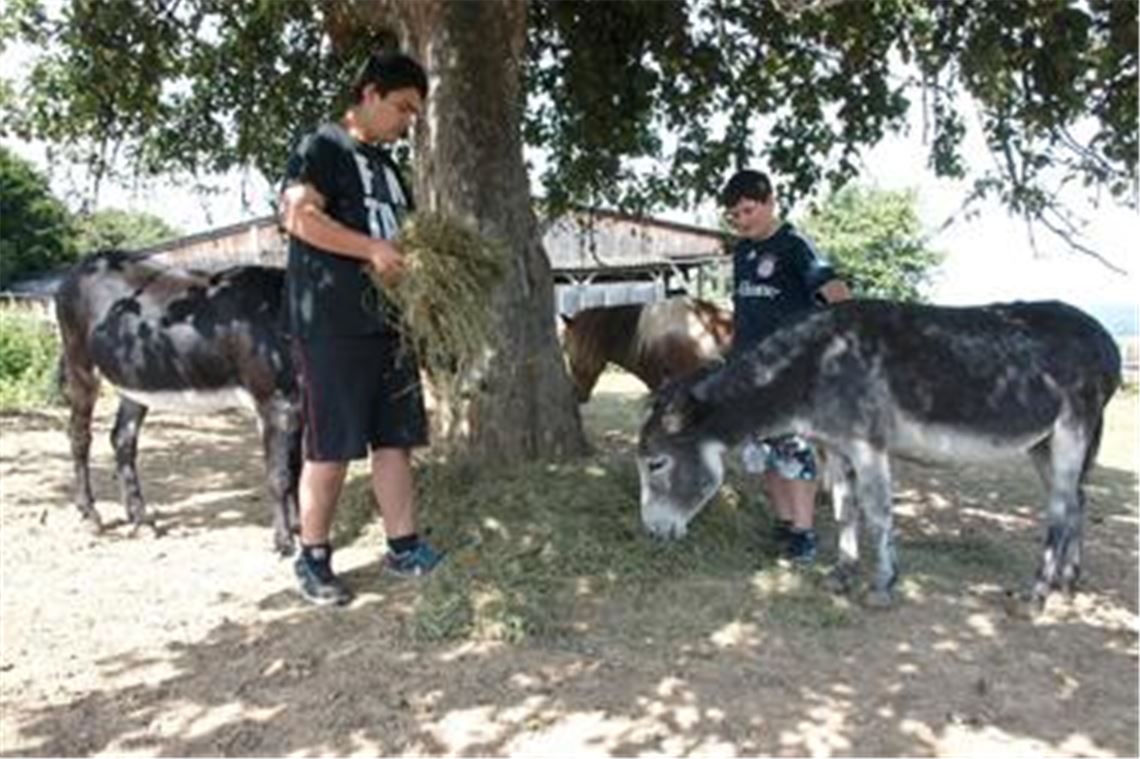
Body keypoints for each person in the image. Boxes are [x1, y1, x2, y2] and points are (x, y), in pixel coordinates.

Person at [279, 51, 441, 606]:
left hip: (390, 328)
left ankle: (404, 546)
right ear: (369, 94)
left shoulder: (390, 170)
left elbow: (407, 242)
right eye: (401, 108)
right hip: (332, 326)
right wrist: (370, 248)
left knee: (395, 440)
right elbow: (298, 216)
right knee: (331, 448)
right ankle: (314, 556)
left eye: (414, 114)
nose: (405, 123)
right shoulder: (322, 147)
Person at [719, 168, 851, 566]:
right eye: (734, 216)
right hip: (748, 370)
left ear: (770, 201)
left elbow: (839, 296)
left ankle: (805, 534)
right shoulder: (742, 252)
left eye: (747, 211)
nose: (741, 221)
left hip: (791, 373)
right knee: (764, 453)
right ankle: (784, 524)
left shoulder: (796, 247)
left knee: (794, 452)